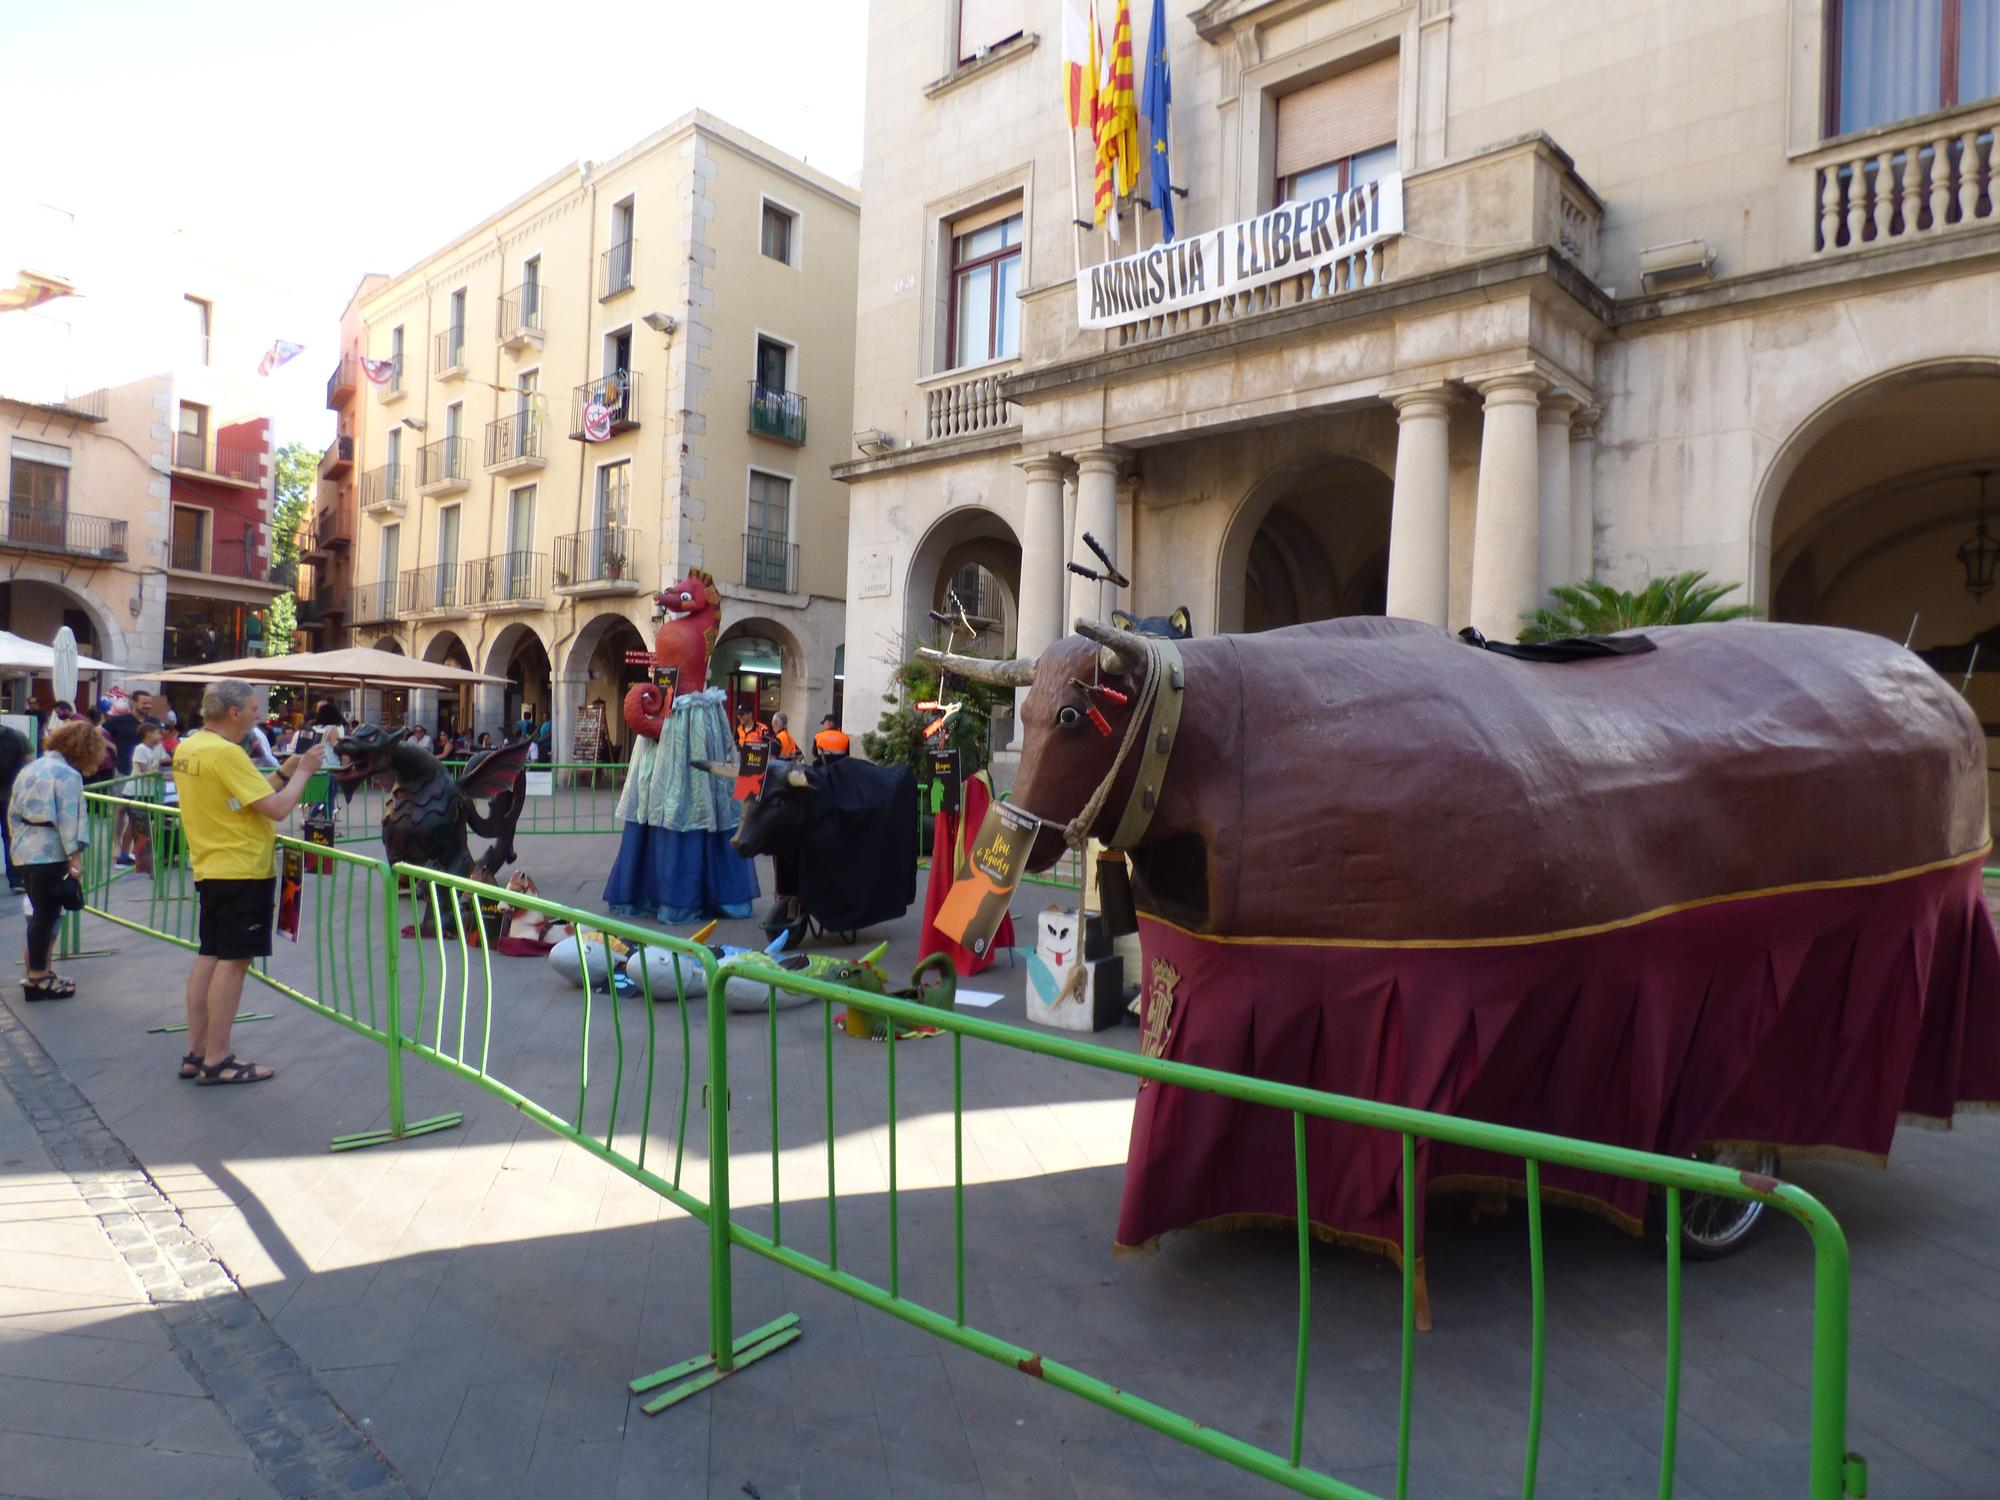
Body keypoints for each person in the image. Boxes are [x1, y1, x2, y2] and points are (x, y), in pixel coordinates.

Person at [173, 680, 325, 1085]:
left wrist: (283, 772)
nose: (261, 714)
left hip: (211, 866)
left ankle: (197, 1051)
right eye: (255, 707)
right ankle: (218, 1058)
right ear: (234, 712)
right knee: (233, 961)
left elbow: (241, 801)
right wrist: (305, 772)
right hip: (243, 867)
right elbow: (276, 809)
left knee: (210, 954)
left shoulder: (190, 747)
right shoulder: (227, 754)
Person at [9, 719, 103, 1000]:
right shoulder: (67, 775)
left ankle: (40, 973)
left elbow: (13, 811)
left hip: (25, 847)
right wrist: (75, 858)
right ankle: (37, 977)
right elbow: (69, 820)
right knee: (46, 917)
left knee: (41, 913)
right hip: (50, 851)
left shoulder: (30, 768)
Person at [120, 719, 166, 872]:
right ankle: (123, 855)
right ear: (147, 734)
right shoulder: (140, 749)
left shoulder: (158, 747)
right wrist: (163, 776)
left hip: (149, 792)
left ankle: (137, 854)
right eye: (157, 733)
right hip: (136, 791)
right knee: (133, 823)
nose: (161, 736)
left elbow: (164, 759)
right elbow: (145, 770)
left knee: (146, 823)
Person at [0, 718, 30, 893]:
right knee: (11, 837)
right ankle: (16, 880)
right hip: (10, 796)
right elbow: (30, 763)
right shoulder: (17, 736)